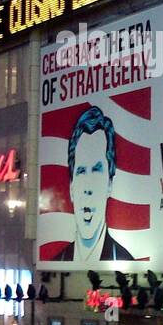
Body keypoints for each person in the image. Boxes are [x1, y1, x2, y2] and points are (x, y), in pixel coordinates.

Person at [54, 106, 136, 263]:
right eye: (81, 171)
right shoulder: (58, 260)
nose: (88, 188)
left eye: (97, 171)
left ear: (109, 184)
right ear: (71, 188)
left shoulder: (125, 260)